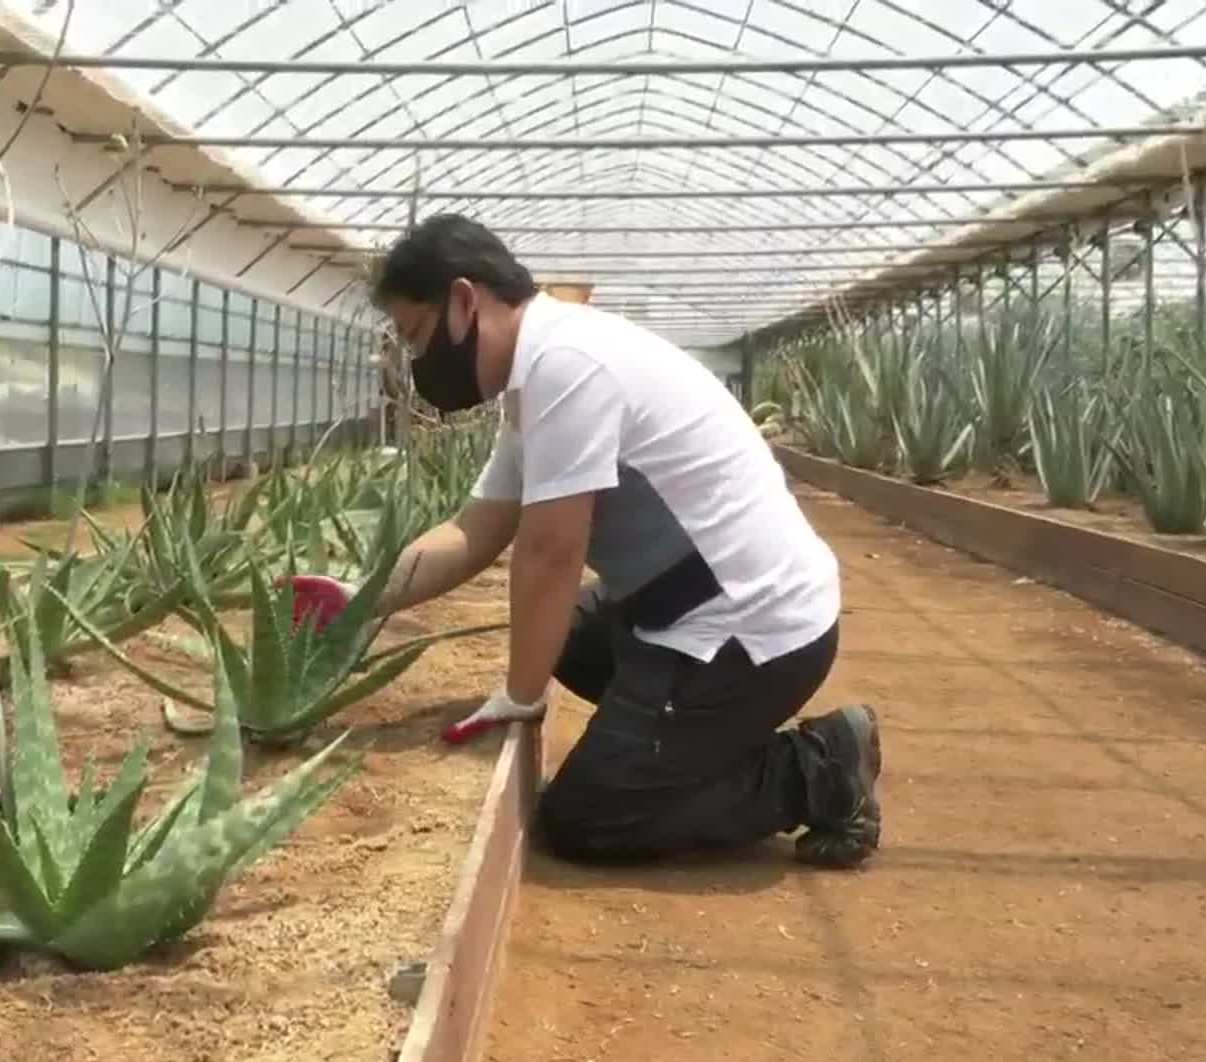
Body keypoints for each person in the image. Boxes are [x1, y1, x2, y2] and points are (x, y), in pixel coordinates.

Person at [299, 213, 882, 869]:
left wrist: (519, 699)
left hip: (751, 630)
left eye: (417, 335)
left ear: (464, 302)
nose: (416, 360)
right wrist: (362, 598)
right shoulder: (538, 371)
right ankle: (679, 739)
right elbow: (475, 530)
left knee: (587, 818)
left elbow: (551, 552)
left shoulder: (566, 366)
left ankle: (822, 767)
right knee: (560, 637)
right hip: (684, 601)